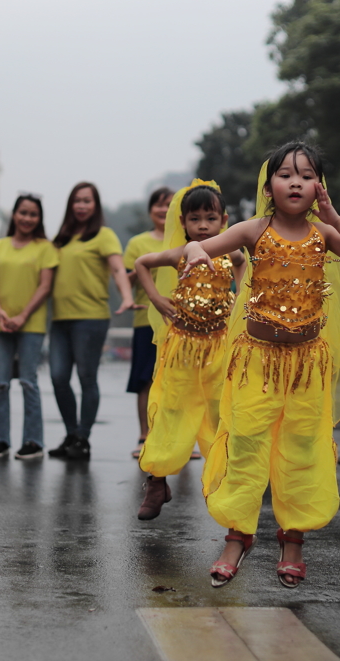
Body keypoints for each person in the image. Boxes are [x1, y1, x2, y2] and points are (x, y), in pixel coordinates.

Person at [183, 142, 340, 588]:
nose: (296, 181)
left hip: (308, 364)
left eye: (307, 175)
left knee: (303, 450)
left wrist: (335, 219)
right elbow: (206, 248)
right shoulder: (254, 229)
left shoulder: (326, 234)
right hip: (256, 360)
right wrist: (197, 254)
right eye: (286, 174)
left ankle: (293, 542)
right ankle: (237, 537)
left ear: (318, 187)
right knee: (247, 444)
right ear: (269, 186)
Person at [132, 180, 244, 520]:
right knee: (170, 409)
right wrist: (154, 297)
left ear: (223, 221)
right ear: (182, 223)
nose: (203, 226)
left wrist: (240, 296)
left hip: (218, 346)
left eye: (210, 218)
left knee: (218, 412)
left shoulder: (230, 251)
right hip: (181, 345)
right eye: (195, 219)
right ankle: (156, 480)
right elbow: (141, 264)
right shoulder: (181, 253)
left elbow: (243, 265)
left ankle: (223, 481)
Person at [48, 182, 137, 461]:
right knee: (58, 377)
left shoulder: (103, 235)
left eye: (87, 200)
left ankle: (83, 438)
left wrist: (125, 296)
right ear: (70, 205)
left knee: (87, 378)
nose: (82, 205)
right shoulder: (61, 238)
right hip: (60, 319)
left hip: (91, 318)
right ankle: (72, 433)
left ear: (95, 205)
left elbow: (117, 268)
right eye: (77, 200)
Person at [0, 195, 59, 460]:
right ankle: (1, 440)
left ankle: (33, 442)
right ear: (14, 214)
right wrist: (1, 312)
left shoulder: (45, 248)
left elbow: (45, 286)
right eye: (23, 212)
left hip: (32, 324)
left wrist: (23, 315)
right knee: (0, 383)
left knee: (28, 382)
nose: (27, 218)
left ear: (39, 219)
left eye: (33, 214)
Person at [123, 187, 173, 458]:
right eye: (159, 205)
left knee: (177, 382)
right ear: (150, 210)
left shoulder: (186, 238)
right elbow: (123, 280)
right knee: (146, 381)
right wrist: (142, 268)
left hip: (182, 322)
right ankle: (144, 436)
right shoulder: (138, 243)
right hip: (146, 319)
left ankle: (176, 439)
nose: (164, 210)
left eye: (169, 205)